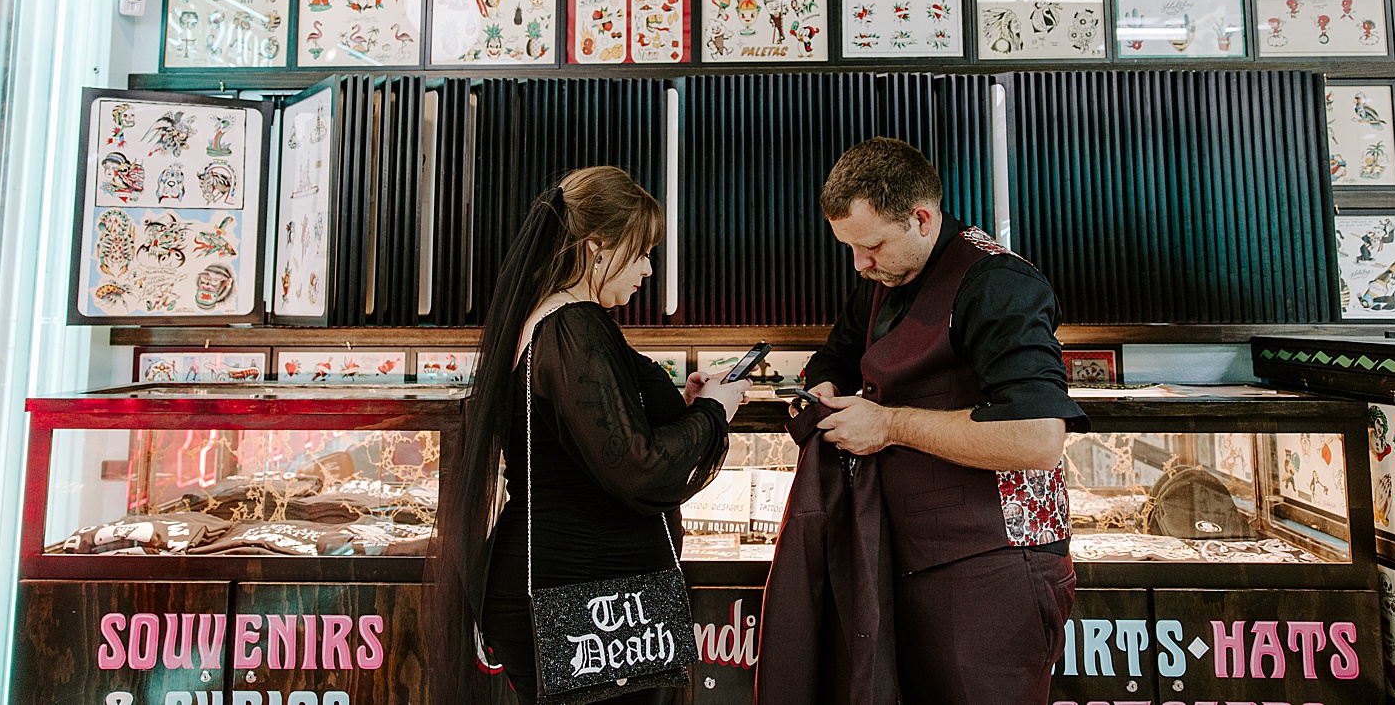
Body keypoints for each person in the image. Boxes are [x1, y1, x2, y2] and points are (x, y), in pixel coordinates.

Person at [427, 166, 751, 705]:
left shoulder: (549, 319)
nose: (648, 268)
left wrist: (688, 408)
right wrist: (715, 413)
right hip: (578, 598)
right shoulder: (574, 323)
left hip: (576, 591)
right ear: (597, 246)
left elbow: (592, 441)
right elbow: (637, 468)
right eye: (642, 251)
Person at [798, 137, 1089, 705]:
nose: (860, 264)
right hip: (910, 555)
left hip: (997, 565)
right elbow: (838, 353)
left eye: (872, 246)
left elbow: (1037, 438)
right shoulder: (888, 276)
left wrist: (889, 426)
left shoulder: (1000, 284)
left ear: (922, 219)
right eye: (850, 249)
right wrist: (824, 383)